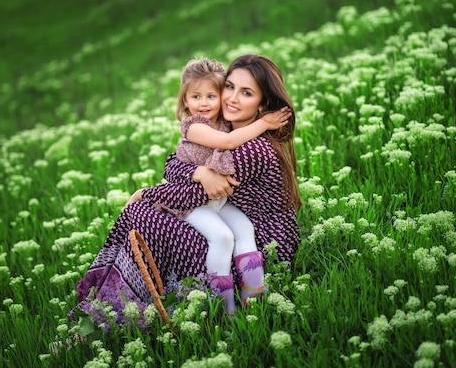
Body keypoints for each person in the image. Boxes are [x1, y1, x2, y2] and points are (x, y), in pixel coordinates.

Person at [75, 54, 302, 319]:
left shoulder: (253, 147)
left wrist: (144, 193)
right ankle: (132, 299)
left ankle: (230, 306)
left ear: (263, 104)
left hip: (266, 244)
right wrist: (199, 172)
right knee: (156, 217)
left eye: (246, 92)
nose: (231, 98)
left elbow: (194, 192)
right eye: (229, 87)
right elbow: (172, 164)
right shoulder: (223, 127)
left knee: (143, 213)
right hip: (224, 214)